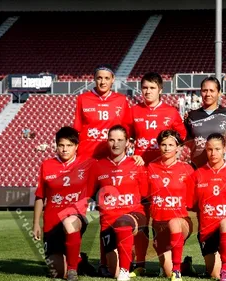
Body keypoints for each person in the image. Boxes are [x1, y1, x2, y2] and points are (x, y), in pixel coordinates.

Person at [130, 72, 187, 275]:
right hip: (142, 172)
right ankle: (140, 264)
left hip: (165, 172)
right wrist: (132, 154)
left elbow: (182, 135)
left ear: (160, 89)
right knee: (142, 218)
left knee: (166, 216)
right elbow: (125, 136)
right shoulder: (133, 111)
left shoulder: (171, 112)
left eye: (152, 87)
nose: (147, 91)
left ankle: (170, 254)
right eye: (144, 87)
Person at [32, 127, 96, 281]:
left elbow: (110, 165)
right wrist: (35, 224)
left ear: (76, 146)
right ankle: (79, 260)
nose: (65, 149)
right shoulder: (46, 165)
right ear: (56, 146)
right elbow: (40, 196)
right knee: (58, 272)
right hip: (52, 221)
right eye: (61, 145)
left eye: (69, 145)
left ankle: (73, 270)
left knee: (69, 222)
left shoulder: (87, 164)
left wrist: (135, 157)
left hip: (75, 217)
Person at [88, 125, 148, 281]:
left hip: (134, 215)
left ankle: (124, 271)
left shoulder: (136, 164)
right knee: (112, 271)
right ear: (107, 142)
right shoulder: (97, 166)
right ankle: (115, 268)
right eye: (112, 140)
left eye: (120, 140)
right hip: (108, 222)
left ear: (128, 143)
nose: (116, 144)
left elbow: (147, 194)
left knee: (123, 223)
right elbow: (87, 194)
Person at [188, 133, 226, 281]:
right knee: (214, 273)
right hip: (207, 230)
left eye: (217, 149)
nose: (213, 153)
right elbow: (193, 204)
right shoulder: (198, 174)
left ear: (224, 149)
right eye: (209, 149)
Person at [146, 130, 194, 280]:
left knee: (174, 222)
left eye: (171, 145)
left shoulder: (187, 169)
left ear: (178, 148)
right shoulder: (151, 168)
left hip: (180, 222)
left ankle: (178, 271)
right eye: (163, 144)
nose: (167, 148)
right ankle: (185, 264)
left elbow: (192, 201)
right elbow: (145, 196)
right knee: (167, 272)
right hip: (159, 224)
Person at [73, 64, 132, 160]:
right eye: (99, 78)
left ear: (113, 79)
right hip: (87, 154)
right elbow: (77, 129)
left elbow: (126, 127)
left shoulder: (121, 100)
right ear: (94, 79)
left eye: (107, 78)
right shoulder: (82, 99)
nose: (103, 82)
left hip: (112, 154)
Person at [185, 77, 226, 168]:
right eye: (205, 90)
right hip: (198, 168)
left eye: (212, 90)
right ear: (200, 92)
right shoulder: (191, 116)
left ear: (219, 93)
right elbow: (186, 140)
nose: (208, 94)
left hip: (222, 168)